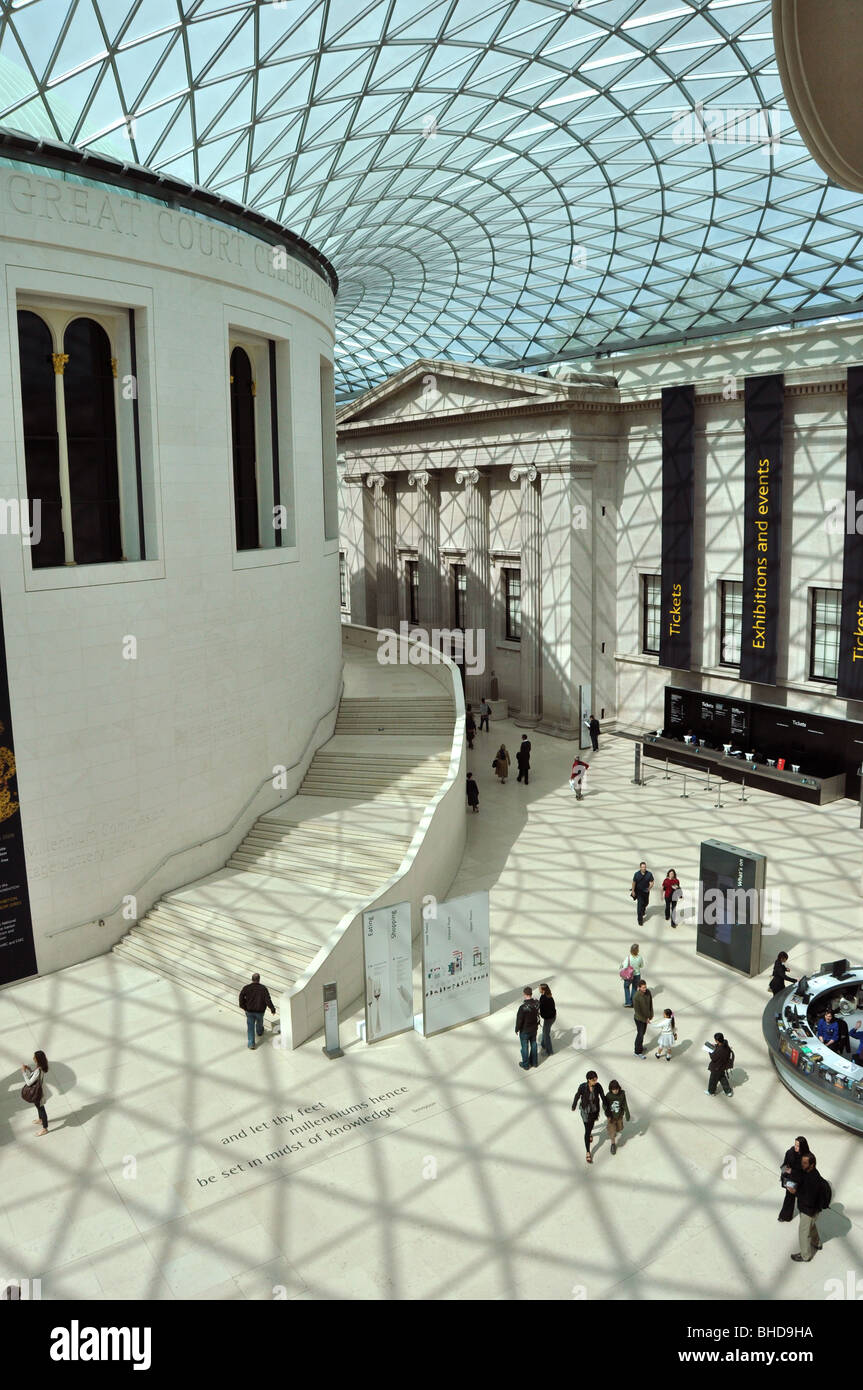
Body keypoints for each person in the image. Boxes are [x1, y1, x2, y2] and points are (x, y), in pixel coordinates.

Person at [791, 1152, 831, 1262]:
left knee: (803, 1233)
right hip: (812, 1210)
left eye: (804, 1163)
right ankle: (817, 1243)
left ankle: (805, 1256)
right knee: (811, 1227)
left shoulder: (813, 1180)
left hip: (809, 1211)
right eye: (802, 1162)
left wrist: (795, 1191)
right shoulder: (810, 1172)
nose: (802, 1164)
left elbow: (809, 1200)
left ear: (812, 1164)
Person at [571, 1070, 606, 1163]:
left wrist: (606, 1106)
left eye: (596, 1079)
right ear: (588, 1080)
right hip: (585, 1111)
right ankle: (588, 1152)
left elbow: (602, 1096)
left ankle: (589, 1132)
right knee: (587, 1130)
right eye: (594, 1080)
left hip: (594, 1111)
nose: (596, 1081)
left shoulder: (598, 1086)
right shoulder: (582, 1087)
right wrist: (574, 1105)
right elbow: (577, 1095)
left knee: (590, 1126)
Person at [238, 972, 276, 1049]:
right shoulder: (263, 989)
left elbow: (241, 997)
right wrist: (272, 1009)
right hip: (260, 1011)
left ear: (252, 979)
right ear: (259, 979)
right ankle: (259, 1032)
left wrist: (243, 1007)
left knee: (250, 1027)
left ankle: (251, 1043)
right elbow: (268, 1000)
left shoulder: (246, 988)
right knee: (260, 1022)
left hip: (249, 1011)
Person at [778, 1136, 811, 1223]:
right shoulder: (790, 1153)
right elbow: (784, 1165)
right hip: (791, 1180)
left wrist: (792, 1171)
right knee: (789, 1197)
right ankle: (785, 1216)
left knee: (804, 1200)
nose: (795, 1147)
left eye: (798, 1146)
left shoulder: (807, 1157)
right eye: (795, 1145)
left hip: (802, 1181)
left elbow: (807, 1172)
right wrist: (785, 1171)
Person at [20, 1050, 49, 1136]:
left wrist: (23, 1072)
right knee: (38, 1106)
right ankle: (40, 1120)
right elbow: (36, 1075)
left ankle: (45, 1128)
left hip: (38, 1093)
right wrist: (29, 1069)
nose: (33, 1058)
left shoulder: (39, 1070)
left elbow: (29, 1083)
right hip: (39, 1091)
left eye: (34, 1057)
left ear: (38, 1059)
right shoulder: (40, 1067)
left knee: (41, 1108)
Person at [515, 986, 540, 1070]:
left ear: (524, 994)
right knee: (534, 1044)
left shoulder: (522, 1007)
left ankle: (525, 1064)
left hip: (525, 1030)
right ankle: (534, 1062)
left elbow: (519, 1020)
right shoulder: (537, 1003)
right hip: (534, 1029)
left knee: (525, 1047)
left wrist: (517, 1029)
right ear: (531, 994)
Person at [604, 1080, 630, 1155]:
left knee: (620, 1128)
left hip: (619, 1116)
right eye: (613, 1089)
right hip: (611, 1117)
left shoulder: (622, 1094)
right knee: (612, 1132)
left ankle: (613, 1130)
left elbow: (624, 1103)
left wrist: (627, 1112)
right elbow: (604, 1105)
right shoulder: (608, 1096)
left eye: (616, 1089)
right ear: (611, 1089)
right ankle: (613, 1144)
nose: (615, 1091)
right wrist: (606, 1111)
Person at [705, 1031, 734, 1096]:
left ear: (717, 1041)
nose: (715, 1041)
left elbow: (713, 1058)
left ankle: (711, 1092)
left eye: (715, 1040)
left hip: (716, 1068)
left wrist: (709, 1050)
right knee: (722, 1078)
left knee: (712, 1080)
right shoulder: (726, 1044)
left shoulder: (719, 1051)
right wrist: (715, 1046)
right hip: (723, 1066)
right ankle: (728, 1091)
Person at [619, 943, 645, 1008]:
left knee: (626, 987)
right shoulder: (640, 957)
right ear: (637, 950)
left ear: (631, 950)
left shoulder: (628, 958)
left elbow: (624, 966)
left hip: (629, 976)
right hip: (637, 975)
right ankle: (633, 1003)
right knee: (634, 988)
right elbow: (642, 966)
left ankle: (628, 1002)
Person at [633, 979, 653, 1058]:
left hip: (646, 1018)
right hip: (639, 1019)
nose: (645, 989)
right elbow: (638, 1011)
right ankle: (637, 1052)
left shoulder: (648, 992)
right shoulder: (636, 997)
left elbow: (651, 1004)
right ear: (639, 988)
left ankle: (640, 1047)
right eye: (643, 988)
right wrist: (645, 1019)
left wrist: (650, 1015)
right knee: (640, 1034)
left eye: (645, 987)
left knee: (642, 1034)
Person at [538, 982, 556, 1055]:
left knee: (546, 1034)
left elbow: (542, 1009)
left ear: (543, 990)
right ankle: (543, 1044)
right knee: (545, 1031)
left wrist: (540, 1014)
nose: (538, 989)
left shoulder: (543, 998)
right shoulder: (549, 996)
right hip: (552, 1017)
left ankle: (549, 1051)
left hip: (549, 1018)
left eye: (539, 988)